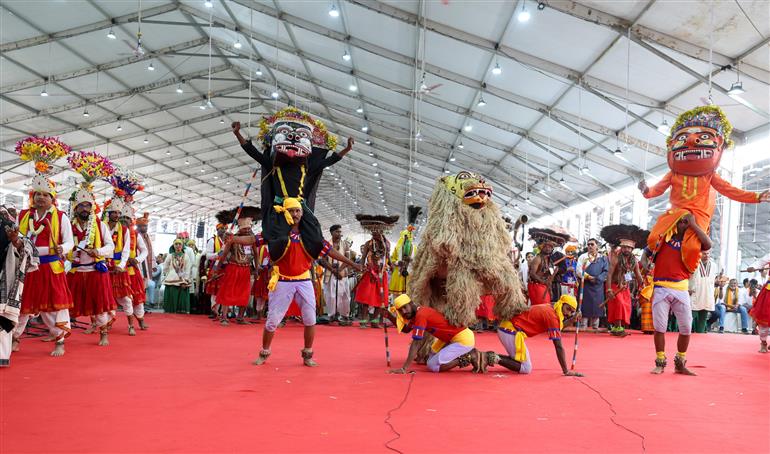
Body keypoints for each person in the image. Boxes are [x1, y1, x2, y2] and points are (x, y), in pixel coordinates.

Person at [239, 198, 361, 367]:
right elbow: (254, 240)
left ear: (302, 213)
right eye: (291, 211)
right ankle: (264, 352)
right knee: (272, 320)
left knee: (310, 319)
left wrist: (352, 263)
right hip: (282, 280)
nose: (295, 214)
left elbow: (330, 251)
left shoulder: (310, 234)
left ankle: (307, 354)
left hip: (304, 281)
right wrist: (234, 239)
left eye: (297, 211)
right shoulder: (276, 232)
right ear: (285, 213)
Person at [12, 174, 74, 357]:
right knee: (21, 304)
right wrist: (15, 242)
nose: (40, 197)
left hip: (51, 267)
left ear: (52, 198)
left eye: (45, 194)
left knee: (53, 307)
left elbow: (70, 242)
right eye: (37, 194)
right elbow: (19, 238)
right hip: (27, 266)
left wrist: (62, 248)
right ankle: (14, 338)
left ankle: (59, 340)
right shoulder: (24, 215)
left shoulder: (61, 217)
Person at [647, 213, 711, 375]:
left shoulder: (693, 242)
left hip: (681, 288)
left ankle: (680, 363)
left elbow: (708, 244)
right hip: (661, 287)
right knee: (660, 327)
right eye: (681, 221)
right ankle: (660, 362)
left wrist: (694, 225)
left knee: (686, 327)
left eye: (686, 221)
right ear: (675, 222)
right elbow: (646, 252)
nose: (684, 223)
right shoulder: (663, 238)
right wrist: (644, 264)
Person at [385, 295, 497, 374]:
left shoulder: (421, 315)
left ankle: (469, 357)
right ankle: (465, 354)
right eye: (400, 310)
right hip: (449, 339)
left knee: (432, 366)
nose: (404, 312)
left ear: (411, 303)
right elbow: (406, 329)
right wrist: (389, 316)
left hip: (463, 339)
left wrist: (404, 368)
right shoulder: (416, 315)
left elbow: (416, 343)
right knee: (430, 360)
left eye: (405, 307)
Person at [67, 187, 116, 346]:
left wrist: (98, 251)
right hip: (76, 271)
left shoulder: (100, 225)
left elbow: (111, 247)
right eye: (81, 205)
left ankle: (103, 334)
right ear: (75, 208)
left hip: (96, 271)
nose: (84, 208)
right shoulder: (69, 226)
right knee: (65, 304)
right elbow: (65, 246)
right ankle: (59, 336)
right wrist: (69, 253)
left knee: (99, 305)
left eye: (87, 205)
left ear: (92, 208)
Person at [496, 294, 583, 376]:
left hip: (507, 328)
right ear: (562, 303)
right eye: (568, 309)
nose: (568, 314)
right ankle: (492, 357)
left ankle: (493, 357)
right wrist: (566, 371)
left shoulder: (553, 306)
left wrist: (572, 320)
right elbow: (558, 346)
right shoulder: (552, 316)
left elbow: (558, 326)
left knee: (519, 362)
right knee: (526, 368)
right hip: (509, 331)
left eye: (571, 312)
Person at [0, 206, 37, 367]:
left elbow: (27, 246)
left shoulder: (6, 222)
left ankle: (2, 356)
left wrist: (15, 241)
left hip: (4, 279)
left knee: (3, 319)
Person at [214, 207, 261, 325]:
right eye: (246, 228)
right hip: (233, 268)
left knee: (244, 293)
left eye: (249, 228)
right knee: (228, 291)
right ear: (240, 228)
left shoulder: (251, 239)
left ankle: (240, 317)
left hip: (246, 269)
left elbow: (256, 254)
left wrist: (256, 269)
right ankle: (224, 317)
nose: (248, 230)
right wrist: (216, 268)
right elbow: (224, 254)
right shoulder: (232, 238)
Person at [601, 225, 645, 337]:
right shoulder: (616, 257)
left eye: (629, 248)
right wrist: (609, 289)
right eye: (624, 247)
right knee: (619, 304)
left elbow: (638, 275)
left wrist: (643, 285)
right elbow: (609, 274)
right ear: (621, 247)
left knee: (625, 306)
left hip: (624, 287)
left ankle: (617, 327)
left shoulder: (634, 260)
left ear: (632, 249)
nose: (627, 249)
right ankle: (618, 327)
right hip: (614, 285)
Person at [104, 197, 136, 335]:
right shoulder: (101, 227)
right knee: (106, 297)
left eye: (118, 213)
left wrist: (121, 265)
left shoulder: (124, 230)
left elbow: (126, 250)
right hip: (104, 266)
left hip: (119, 267)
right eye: (114, 212)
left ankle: (131, 325)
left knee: (126, 298)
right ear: (108, 213)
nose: (117, 215)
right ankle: (105, 324)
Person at [355, 218, 394, 328]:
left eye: (376, 230)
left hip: (382, 274)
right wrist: (361, 266)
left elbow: (388, 257)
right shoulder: (368, 243)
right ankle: (363, 321)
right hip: (370, 274)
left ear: (381, 231)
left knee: (381, 299)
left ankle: (375, 321)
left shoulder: (387, 244)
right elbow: (363, 257)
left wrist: (391, 266)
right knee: (366, 298)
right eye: (372, 230)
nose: (373, 232)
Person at [123, 205, 149, 332]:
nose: (124, 220)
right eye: (122, 217)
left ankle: (141, 320)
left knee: (137, 298)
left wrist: (137, 259)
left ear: (131, 220)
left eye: (127, 218)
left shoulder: (136, 234)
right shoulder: (113, 232)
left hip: (131, 270)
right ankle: (106, 322)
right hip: (116, 270)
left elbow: (145, 251)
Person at [321, 224, 352, 325]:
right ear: (331, 233)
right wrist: (333, 271)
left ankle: (344, 316)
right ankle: (332, 316)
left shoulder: (345, 244)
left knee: (345, 295)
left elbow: (347, 259)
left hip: (342, 274)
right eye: (337, 232)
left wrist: (340, 271)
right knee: (331, 296)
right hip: (330, 274)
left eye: (340, 232)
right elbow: (323, 260)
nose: (339, 234)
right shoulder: (326, 244)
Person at [576, 238, 608, 331]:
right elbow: (578, 270)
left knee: (597, 305)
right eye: (588, 244)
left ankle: (595, 326)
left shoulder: (603, 258)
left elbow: (606, 271)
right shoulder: (583, 257)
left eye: (592, 244)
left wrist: (598, 279)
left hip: (598, 285)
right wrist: (588, 277)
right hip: (585, 284)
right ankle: (583, 325)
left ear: (597, 246)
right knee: (584, 304)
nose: (590, 246)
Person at [389, 205, 421, 297]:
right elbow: (392, 259)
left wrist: (411, 260)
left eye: (408, 236)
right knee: (397, 298)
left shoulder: (415, 248)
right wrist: (397, 262)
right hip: (398, 275)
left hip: (410, 275)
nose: (407, 238)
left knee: (409, 297)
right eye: (405, 236)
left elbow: (418, 262)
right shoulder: (397, 248)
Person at [689, 250, 717, 334]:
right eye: (704, 253)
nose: (706, 255)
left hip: (707, 292)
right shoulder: (694, 263)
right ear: (700, 254)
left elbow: (712, 279)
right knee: (691, 315)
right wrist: (688, 287)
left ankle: (700, 333)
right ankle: (686, 334)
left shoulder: (714, 265)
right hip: (695, 291)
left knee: (704, 316)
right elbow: (689, 276)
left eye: (708, 253)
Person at [162, 239, 193, 314]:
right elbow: (165, 267)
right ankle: (170, 312)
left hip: (183, 280)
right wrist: (168, 274)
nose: (178, 246)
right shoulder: (170, 256)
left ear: (182, 246)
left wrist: (185, 280)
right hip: (171, 280)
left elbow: (188, 269)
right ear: (173, 246)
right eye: (176, 244)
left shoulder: (186, 256)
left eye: (179, 244)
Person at [747, 252, 769, 352]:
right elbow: (761, 262)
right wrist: (753, 267)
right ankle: (763, 342)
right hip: (769, 292)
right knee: (764, 317)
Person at [205, 222, 227, 318]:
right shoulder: (212, 240)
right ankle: (214, 310)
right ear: (217, 230)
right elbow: (208, 255)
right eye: (221, 228)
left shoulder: (229, 241)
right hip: (216, 267)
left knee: (225, 290)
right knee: (215, 291)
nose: (223, 230)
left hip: (226, 268)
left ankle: (224, 312)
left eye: (225, 228)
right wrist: (218, 254)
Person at [135, 212, 155, 308]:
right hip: (138, 262)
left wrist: (154, 265)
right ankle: (138, 303)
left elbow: (151, 251)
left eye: (146, 226)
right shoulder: (135, 235)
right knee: (139, 283)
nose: (145, 228)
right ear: (138, 226)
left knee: (146, 284)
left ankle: (143, 302)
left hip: (146, 264)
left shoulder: (147, 237)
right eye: (143, 226)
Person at [252, 243, 270, 322]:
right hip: (260, 274)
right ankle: (259, 313)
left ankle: (264, 313)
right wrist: (257, 267)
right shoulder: (259, 248)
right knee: (259, 295)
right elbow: (254, 258)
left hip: (269, 274)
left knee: (268, 295)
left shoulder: (272, 247)